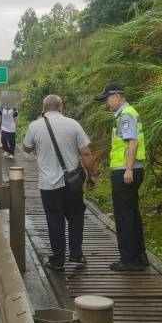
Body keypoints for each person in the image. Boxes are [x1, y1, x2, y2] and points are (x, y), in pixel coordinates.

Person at [22, 94, 97, 271]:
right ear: (61, 107)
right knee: (76, 217)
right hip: (72, 182)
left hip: (48, 185)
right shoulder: (73, 124)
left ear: (44, 109)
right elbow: (86, 153)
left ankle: (58, 260)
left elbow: (26, 148)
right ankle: (76, 255)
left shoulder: (35, 126)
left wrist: (37, 124)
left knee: (54, 220)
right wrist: (91, 175)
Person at [94, 82, 149, 271]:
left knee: (124, 215)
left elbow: (132, 143)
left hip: (125, 171)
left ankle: (129, 260)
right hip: (132, 169)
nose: (106, 104)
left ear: (117, 96)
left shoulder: (126, 115)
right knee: (132, 213)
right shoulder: (129, 113)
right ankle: (139, 256)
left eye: (107, 99)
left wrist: (128, 169)